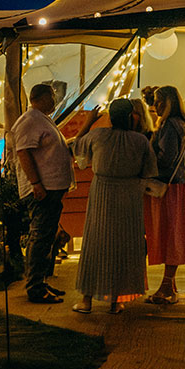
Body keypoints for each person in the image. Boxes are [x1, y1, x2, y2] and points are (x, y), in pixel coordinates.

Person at [71, 98, 158, 314]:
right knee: (125, 246)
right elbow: (149, 171)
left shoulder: (98, 135)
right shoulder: (140, 141)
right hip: (129, 195)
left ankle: (86, 299)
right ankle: (117, 300)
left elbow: (77, 147)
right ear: (131, 117)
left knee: (95, 244)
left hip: (102, 192)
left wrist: (89, 122)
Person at [10, 83, 75, 304]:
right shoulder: (29, 121)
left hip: (52, 187)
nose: (55, 100)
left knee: (46, 238)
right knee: (40, 237)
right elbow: (23, 153)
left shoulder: (42, 119)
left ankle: (40, 281)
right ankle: (35, 287)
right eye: (53, 96)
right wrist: (36, 183)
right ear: (42, 97)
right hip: (42, 189)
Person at [144, 85, 185, 304]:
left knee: (169, 234)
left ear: (168, 102)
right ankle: (169, 285)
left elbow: (166, 158)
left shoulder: (169, 125)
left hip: (169, 187)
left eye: (158, 101)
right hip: (178, 184)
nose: (155, 105)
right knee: (171, 234)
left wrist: (148, 154)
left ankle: (167, 287)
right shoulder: (180, 124)